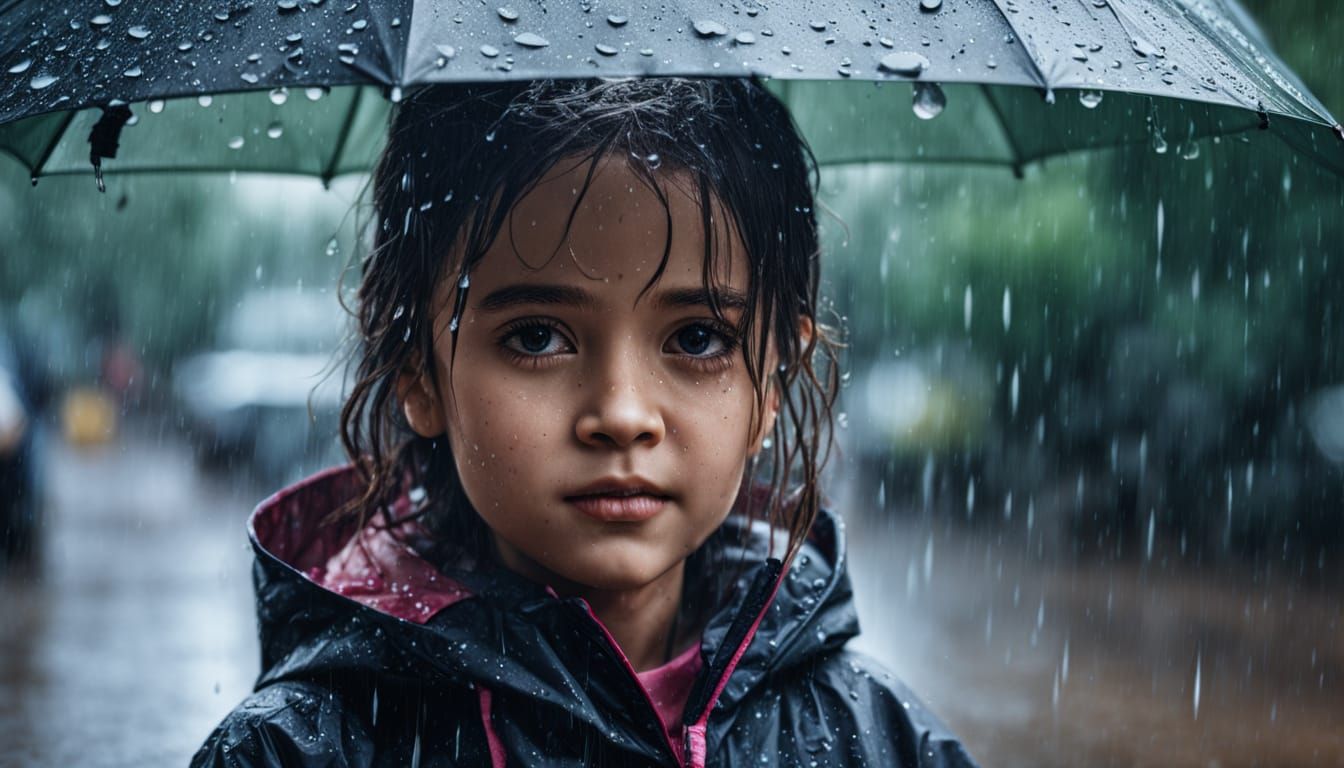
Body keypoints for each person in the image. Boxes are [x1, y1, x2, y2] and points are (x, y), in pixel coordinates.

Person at [192, 78, 976, 768]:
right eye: (537, 336)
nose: (623, 416)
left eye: (697, 338)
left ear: (773, 378)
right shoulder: (301, 750)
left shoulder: (875, 741)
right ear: (418, 371)